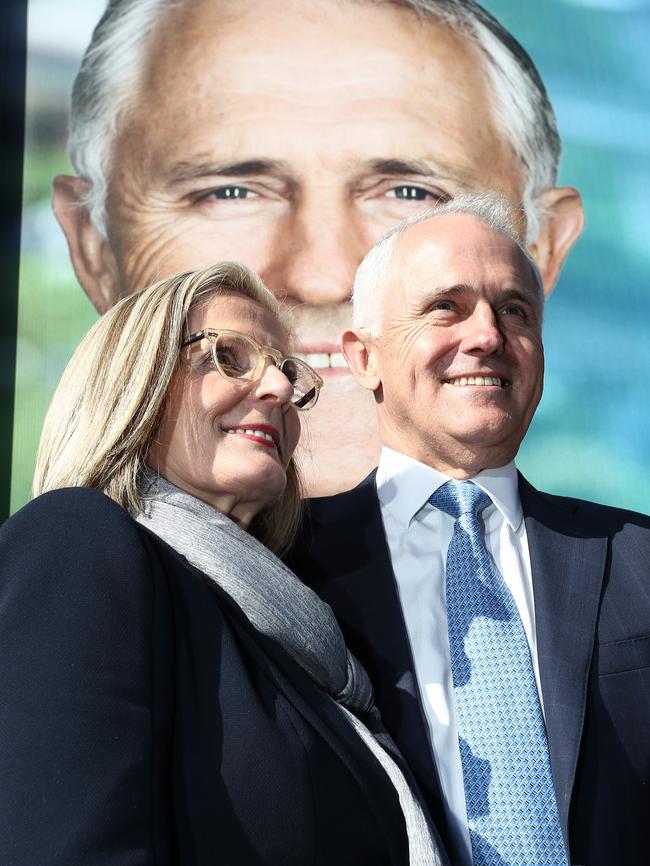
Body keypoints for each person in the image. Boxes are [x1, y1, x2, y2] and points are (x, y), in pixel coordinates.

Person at [0, 262, 447, 866]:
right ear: (140, 380)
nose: (280, 389)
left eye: (288, 373)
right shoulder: (78, 542)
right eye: (232, 356)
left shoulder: (300, 644)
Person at [51, 0, 584, 497]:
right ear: (92, 248)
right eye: (230, 193)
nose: (323, 278)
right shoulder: (82, 556)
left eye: (410, 193)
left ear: (543, 249)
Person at [288, 194, 650, 866]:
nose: (487, 334)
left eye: (515, 310)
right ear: (362, 358)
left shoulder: (639, 557)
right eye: (445, 307)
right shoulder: (283, 567)